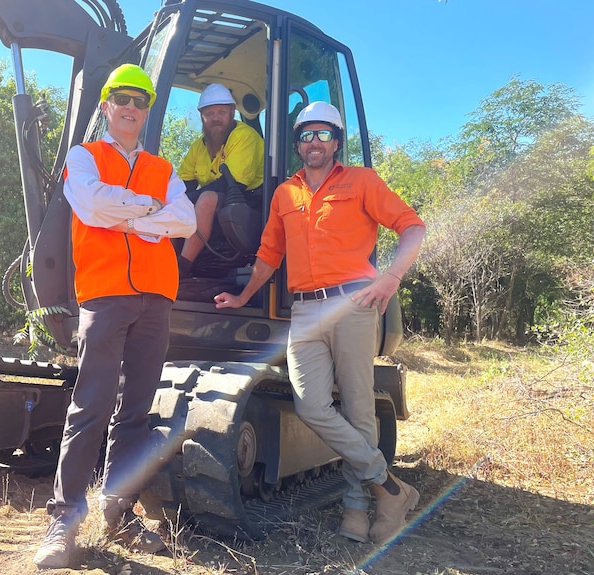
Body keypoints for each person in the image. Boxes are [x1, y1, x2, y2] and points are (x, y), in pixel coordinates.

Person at [214, 101, 426, 545]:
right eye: (306, 135)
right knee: (311, 405)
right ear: (297, 143)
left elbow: (412, 227)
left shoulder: (361, 181)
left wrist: (390, 278)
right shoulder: (285, 194)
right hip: (305, 310)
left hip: (353, 305)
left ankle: (357, 509)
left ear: (336, 141)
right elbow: (269, 255)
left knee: (357, 406)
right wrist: (242, 296)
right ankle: (390, 489)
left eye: (323, 134)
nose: (314, 142)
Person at [33, 64, 197, 569]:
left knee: (136, 412)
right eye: (122, 98)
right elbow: (88, 206)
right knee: (91, 407)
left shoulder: (164, 168)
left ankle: (118, 510)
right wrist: (149, 215)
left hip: (155, 300)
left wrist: (122, 214)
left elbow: (185, 221)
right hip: (104, 298)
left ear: (147, 111)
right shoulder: (85, 158)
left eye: (140, 100)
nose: (131, 106)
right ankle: (64, 519)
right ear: (107, 105)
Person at [176, 83, 264, 275]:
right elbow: (181, 185)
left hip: (252, 203)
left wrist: (188, 200)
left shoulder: (245, 137)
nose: (216, 118)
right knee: (171, 202)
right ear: (202, 116)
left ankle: (183, 267)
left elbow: (232, 184)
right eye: (210, 113)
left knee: (206, 198)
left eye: (221, 112)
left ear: (232, 112)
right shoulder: (199, 147)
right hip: (221, 202)